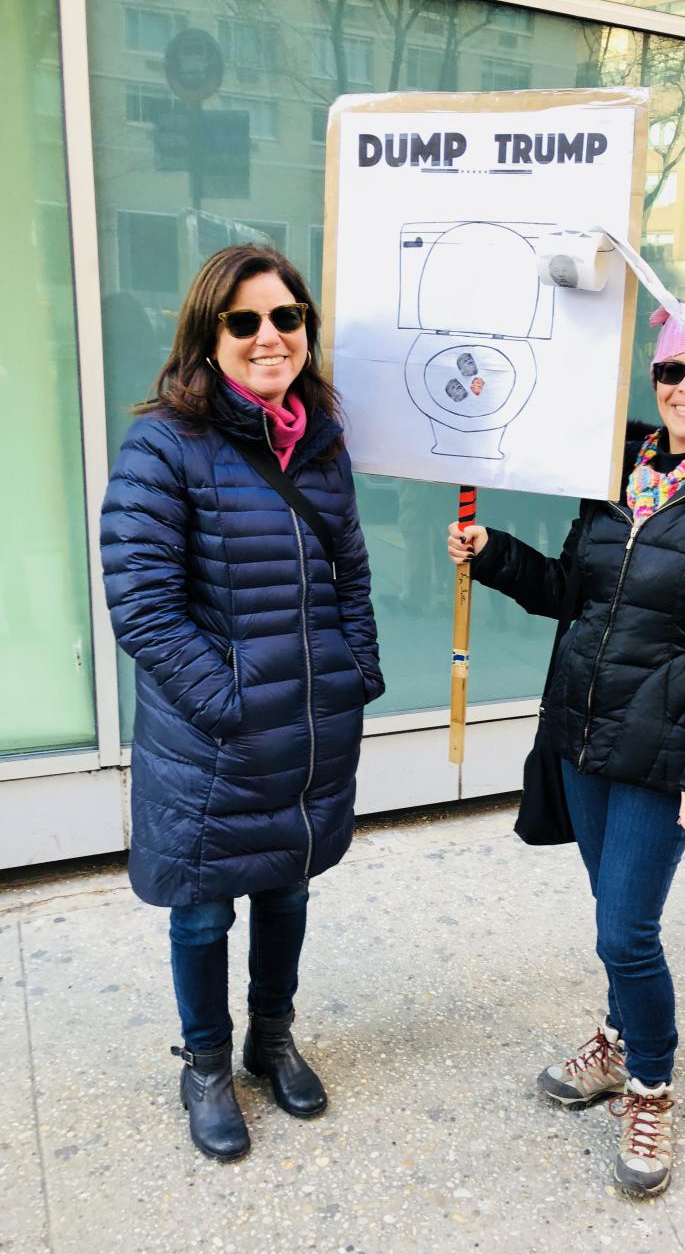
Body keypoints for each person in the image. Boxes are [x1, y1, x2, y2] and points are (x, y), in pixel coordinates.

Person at [447, 303, 685, 1197]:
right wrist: (493, 552)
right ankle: (616, 1040)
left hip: (668, 752)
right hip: (583, 732)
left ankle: (648, 1082)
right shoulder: (619, 469)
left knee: (627, 932)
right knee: (612, 921)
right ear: (653, 381)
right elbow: (571, 594)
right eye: (672, 371)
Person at [101, 245, 384, 1162]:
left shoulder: (323, 437)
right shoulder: (165, 441)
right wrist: (226, 700)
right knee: (203, 906)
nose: (271, 336)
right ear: (209, 333)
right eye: (246, 320)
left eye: (287, 316)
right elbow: (142, 603)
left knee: (289, 885)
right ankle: (208, 1063)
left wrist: (358, 671)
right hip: (216, 733)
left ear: (306, 328)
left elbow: (350, 567)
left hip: (307, 720)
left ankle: (271, 1039)